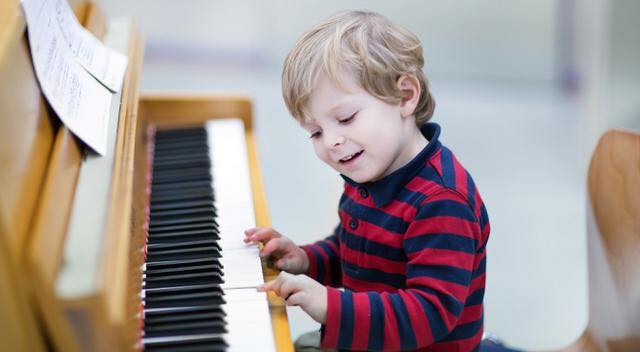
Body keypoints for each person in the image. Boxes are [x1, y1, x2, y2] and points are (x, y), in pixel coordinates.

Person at [244, 10, 490, 351]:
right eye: (315, 132)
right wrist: (306, 259)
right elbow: (356, 252)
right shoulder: (372, 172)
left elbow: (430, 312)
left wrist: (331, 305)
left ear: (404, 96)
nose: (331, 141)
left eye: (346, 118)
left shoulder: (441, 200)